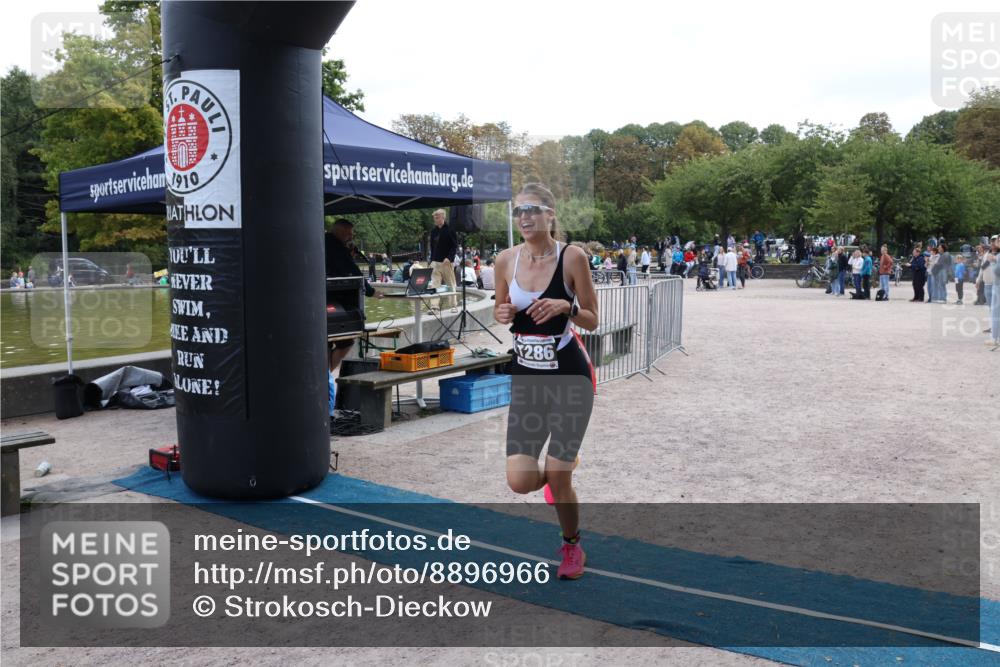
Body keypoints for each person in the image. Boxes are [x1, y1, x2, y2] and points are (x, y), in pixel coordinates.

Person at [493, 182, 598, 580]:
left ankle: (571, 545)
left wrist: (567, 306)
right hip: (528, 383)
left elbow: (592, 317)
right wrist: (502, 314)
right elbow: (502, 311)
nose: (524, 217)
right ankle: (562, 471)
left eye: (533, 209)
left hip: (571, 378)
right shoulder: (505, 260)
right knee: (520, 482)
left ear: (551, 214)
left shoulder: (573, 257)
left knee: (558, 474)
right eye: (519, 211)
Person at [325, 219, 379, 373]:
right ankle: (326, 375)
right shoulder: (335, 246)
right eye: (349, 233)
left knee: (332, 343)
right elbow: (351, 270)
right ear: (341, 231)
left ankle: (325, 376)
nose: (351, 236)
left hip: (330, 301)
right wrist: (371, 291)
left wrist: (349, 254)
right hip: (335, 302)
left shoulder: (328, 242)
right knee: (344, 342)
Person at [429, 209, 458, 292]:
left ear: (443, 217)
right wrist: (431, 260)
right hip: (435, 262)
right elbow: (432, 247)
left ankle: (453, 304)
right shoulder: (433, 231)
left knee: (450, 284)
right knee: (434, 284)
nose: (435, 219)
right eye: (434, 217)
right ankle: (434, 305)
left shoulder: (450, 229)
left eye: (437, 217)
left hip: (447, 262)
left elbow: (454, 246)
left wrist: (449, 258)